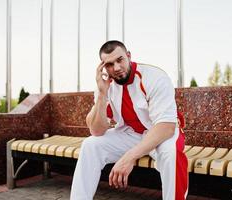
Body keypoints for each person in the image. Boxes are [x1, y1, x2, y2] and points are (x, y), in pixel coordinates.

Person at [70, 40, 188, 200]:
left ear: (128, 56)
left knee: (171, 153)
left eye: (120, 60)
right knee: (90, 145)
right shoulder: (106, 86)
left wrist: (129, 157)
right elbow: (96, 130)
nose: (117, 68)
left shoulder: (154, 77)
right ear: (103, 67)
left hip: (160, 134)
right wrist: (102, 94)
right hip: (131, 134)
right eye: (110, 64)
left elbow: (166, 127)